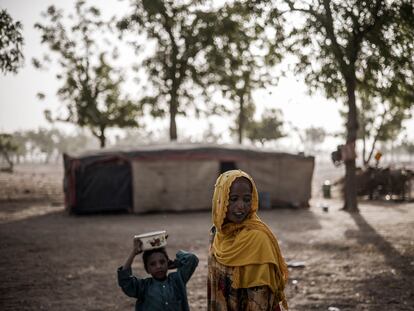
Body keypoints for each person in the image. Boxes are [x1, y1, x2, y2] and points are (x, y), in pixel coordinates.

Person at [207, 169, 289, 310]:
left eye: (246, 199)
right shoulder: (217, 234)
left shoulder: (258, 239)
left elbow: (260, 300)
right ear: (220, 199)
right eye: (233, 199)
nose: (241, 206)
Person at [117, 237, 199, 311]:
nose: (158, 266)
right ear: (147, 269)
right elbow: (125, 280)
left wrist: (175, 263)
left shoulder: (177, 280)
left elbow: (192, 259)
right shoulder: (143, 287)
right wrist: (133, 253)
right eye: (153, 264)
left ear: (168, 263)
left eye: (162, 262)